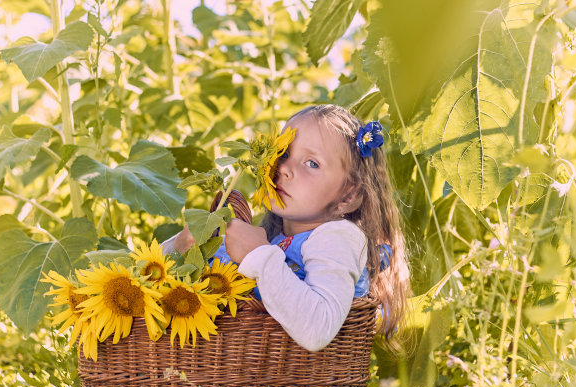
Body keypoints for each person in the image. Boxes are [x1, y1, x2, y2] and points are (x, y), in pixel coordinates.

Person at [162, 104, 410, 352]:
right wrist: (181, 247)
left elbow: (318, 329)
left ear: (349, 194)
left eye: (312, 163)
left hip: (302, 385)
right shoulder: (275, 241)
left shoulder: (338, 237)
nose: (283, 168)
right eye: (282, 154)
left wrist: (257, 255)